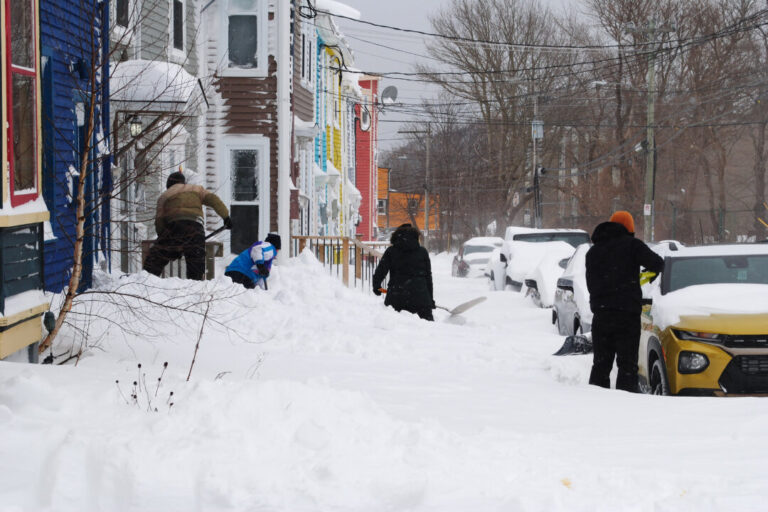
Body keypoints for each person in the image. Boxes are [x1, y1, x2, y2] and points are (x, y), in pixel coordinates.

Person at [585, 210, 664, 392]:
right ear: (629, 228)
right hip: (627, 315)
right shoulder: (632, 246)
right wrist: (642, 277)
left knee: (601, 365)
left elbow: (592, 283)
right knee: (627, 365)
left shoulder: (593, 252)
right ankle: (625, 406)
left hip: (602, 314)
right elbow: (657, 263)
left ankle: (594, 402)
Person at [143, 171, 231, 280]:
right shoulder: (197, 189)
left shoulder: (164, 196)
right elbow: (214, 200)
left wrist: (168, 244)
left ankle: (145, 280)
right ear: (184, 182)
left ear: (168, 185)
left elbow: (159, 223)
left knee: (155, 258)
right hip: (195, 228)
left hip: (174, 226)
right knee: (196, 263)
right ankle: (195, 286)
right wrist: (226, 217)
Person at [372, 224, 435, 321]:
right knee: (427, 332)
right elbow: (428, 278)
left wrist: (376, 286)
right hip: (421, 299)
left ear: (396, 235)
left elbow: (381, 270)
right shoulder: (423, 252)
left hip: (397, 297)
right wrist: (430, 300)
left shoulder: (391, 251)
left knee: (396, 331)